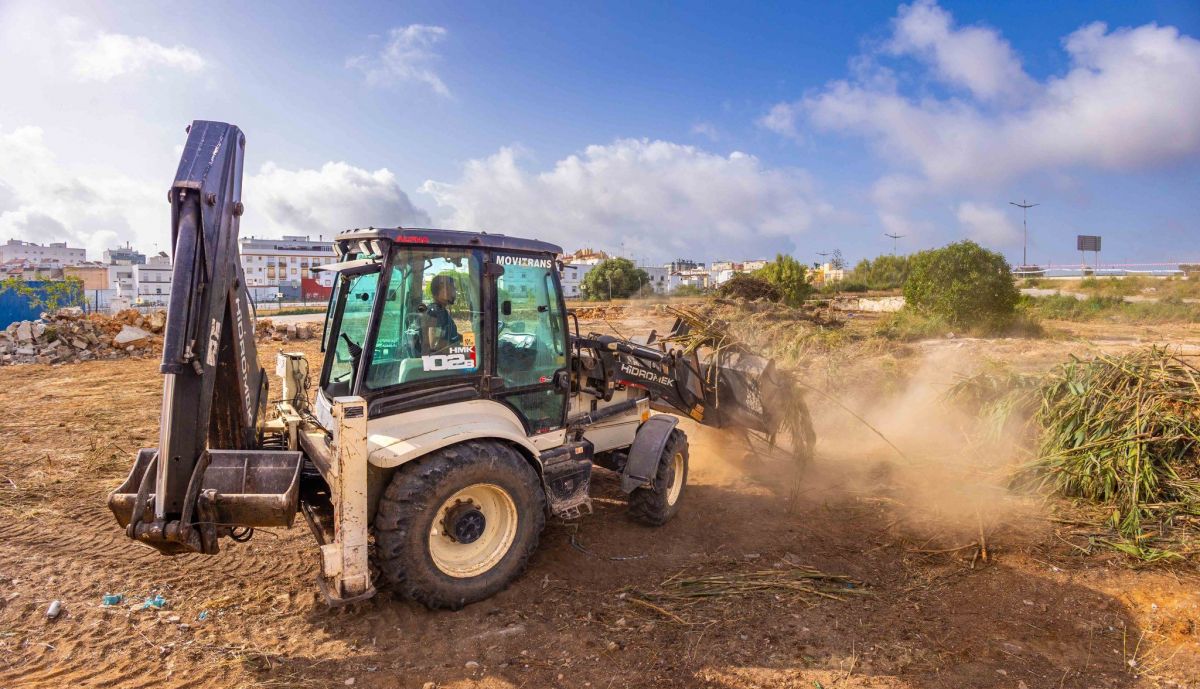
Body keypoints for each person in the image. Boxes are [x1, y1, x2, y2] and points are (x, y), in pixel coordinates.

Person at [423, 273, 462, 353]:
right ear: (445, 291)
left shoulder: (441, 311)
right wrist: (460, 349)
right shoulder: (435, 312)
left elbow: (448, 334)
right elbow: (435, 343)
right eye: (453, 288)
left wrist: (467, 339)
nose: (455, 292)